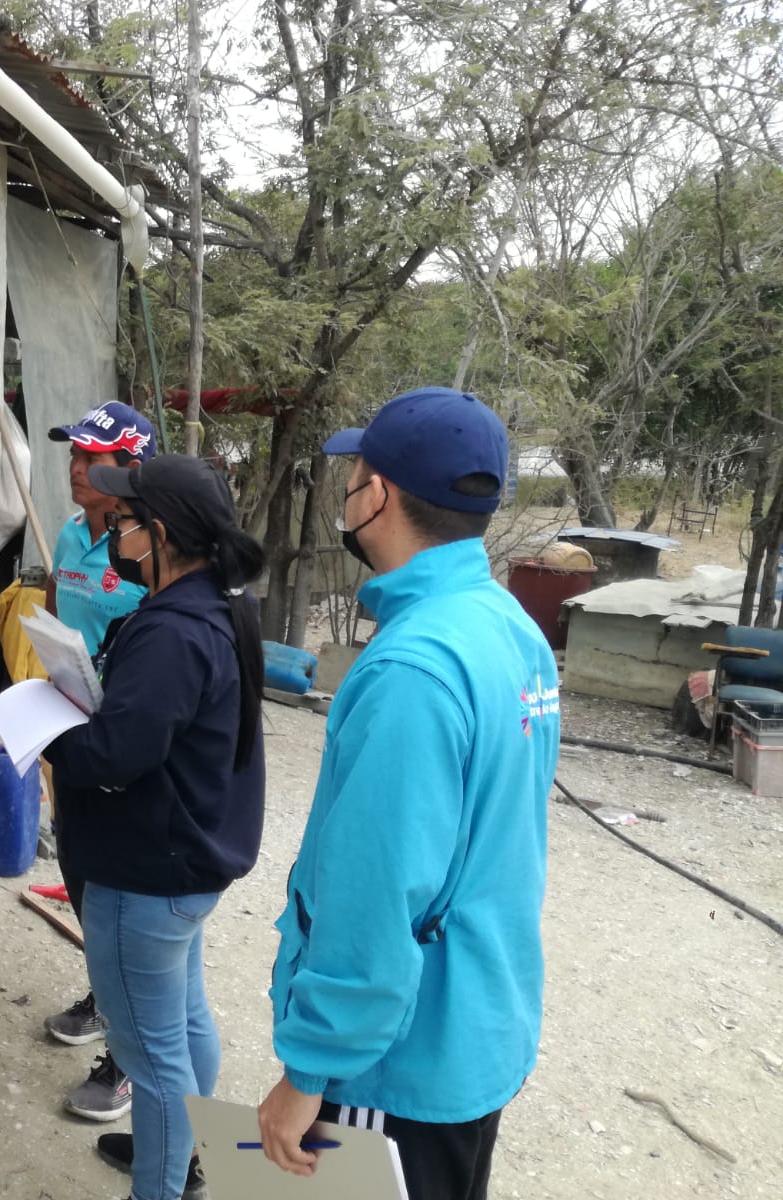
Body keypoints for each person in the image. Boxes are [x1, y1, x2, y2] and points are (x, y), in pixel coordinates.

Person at [255, 388, 560, 1200]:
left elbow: (376, 894)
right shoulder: (509, 626)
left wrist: (310, 1071)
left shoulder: (410, 672)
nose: (348, 489)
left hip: (401, 1063)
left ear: (377, 494)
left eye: (354, 473)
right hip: (478, 1024)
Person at [44, 454, 268, 1200]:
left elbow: (115, 752)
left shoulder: (173, 630)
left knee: (152, 1058)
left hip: (143, 870)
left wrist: (46, 731)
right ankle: (186, 1158)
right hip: (189, 857)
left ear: (159, 534)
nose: (115, 532)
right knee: (183, 1019)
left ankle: (163, 1184)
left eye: (124, 521)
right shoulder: (222, 602)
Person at [39, 401, 156, 1123]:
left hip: (126, 745)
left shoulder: (149, 551)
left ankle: (129, 1059)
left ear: (132, 471)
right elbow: (56, 616)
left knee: (125, 898)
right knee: (81, 875)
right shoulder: (68, 533)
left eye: (93, 458)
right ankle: (105, 993)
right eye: (74, 456)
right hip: (71, 732)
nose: (77, 469)